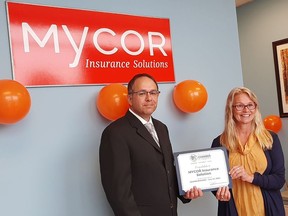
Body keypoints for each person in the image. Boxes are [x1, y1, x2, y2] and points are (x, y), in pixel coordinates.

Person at [99, 73, 202, 216]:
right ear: (129, 98)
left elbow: (167, 171)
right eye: (142, 93)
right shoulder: (115, 133)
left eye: (153, 92)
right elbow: (118, 192)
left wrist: (185, 192)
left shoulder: (161, 128)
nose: (149, 98)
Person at [211, 87, 286, 216]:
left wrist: (250, 177)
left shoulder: (270, 139)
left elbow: (279, 180)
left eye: (250, 105)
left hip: (268, 210)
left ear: (256, 108)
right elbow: (214, 181)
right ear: (231, 109)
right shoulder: (219, 143)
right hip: (233, 209)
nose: (246, 110)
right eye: (239, 106)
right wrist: (220, 192)